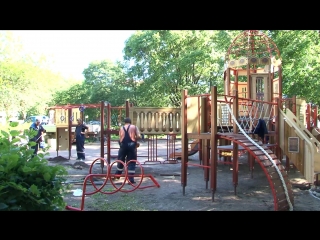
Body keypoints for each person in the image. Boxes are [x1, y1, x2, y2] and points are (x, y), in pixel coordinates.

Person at [114, 117, 141, 184]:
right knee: (131, 162)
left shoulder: (121, 128)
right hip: (131, 146)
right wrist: (135, 140)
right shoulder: (134, 127)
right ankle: (130, 179)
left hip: (123, 146)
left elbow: (120, 137)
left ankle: (117, 175)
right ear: (130, 122)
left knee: (120, 160)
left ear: (124, 122)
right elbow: (139, 136)